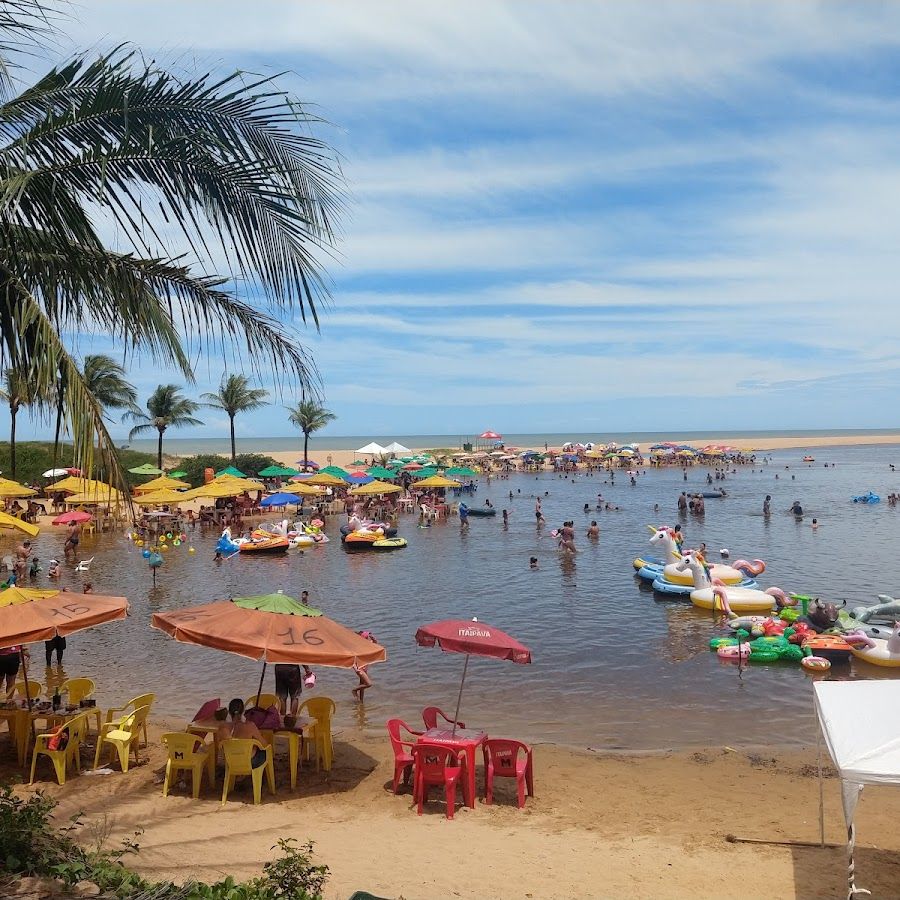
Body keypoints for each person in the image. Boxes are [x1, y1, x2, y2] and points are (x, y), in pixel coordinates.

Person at [217, 698, 269, 768]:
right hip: (249, 762)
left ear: (229, 712)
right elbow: (264, 745)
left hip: (230, 761)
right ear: (243, 712)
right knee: (264, 751)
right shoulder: (250, 726)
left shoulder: (222, 728)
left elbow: (220, 745)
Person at [352, 631, 377, 701]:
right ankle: (354, 690)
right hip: (359, 669)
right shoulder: (357, 648)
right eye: (366, 637)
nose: (368, 638)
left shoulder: (366, 645)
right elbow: (352, 658)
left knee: (362, 685)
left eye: (367, 637)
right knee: (369, 684)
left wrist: (374, 639)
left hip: (365, 667)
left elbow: (375, 644)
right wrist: (355, 669)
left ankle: (361, 702)